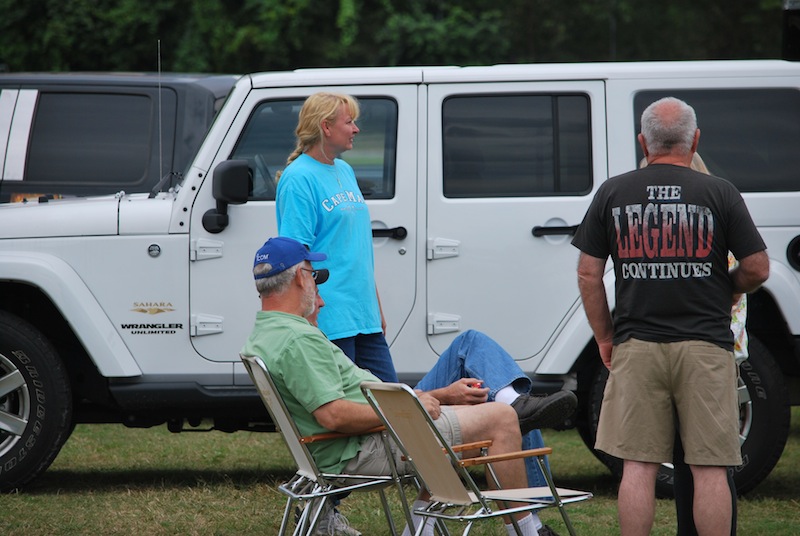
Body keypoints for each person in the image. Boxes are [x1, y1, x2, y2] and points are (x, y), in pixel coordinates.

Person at [242, 236, 578, 536]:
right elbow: (334, 416)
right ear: (301, 277)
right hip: (363, 448)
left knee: (478, 404)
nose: (318, 287)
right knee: (500, 419)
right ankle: (527, 529)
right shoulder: (298, 340)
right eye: (314, 275)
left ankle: (421, 526)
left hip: (353, 443)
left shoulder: (267, 335)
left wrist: (430, 397)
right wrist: (413, 406)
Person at [571, 97, 769, 536]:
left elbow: (588, 273)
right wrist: (728, 285)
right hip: (705, 347)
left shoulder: (613, 192)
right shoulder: (719, 192)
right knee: (710, 469)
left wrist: (605, 337)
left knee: (638, 467)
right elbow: (757, 267)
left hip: (636, 346)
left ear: (643, 142)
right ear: (695, 139)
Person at [641, 153, 742, 536]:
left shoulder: (653, 223)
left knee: (689, 461)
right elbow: (748, 273)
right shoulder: (721, 211)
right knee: (710, 461)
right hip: (710, 349)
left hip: (658, 348)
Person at [275, 92, 397, 383]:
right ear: (326, 127)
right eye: (349, 122)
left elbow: (354, 249)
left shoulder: (345, 169)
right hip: (329, 317)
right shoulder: (298, 178)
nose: (356, 129)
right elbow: (296, 256)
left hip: (363, 316)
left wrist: (375, 306)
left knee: (392, 404)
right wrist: (309, 317)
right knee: (346, 408)